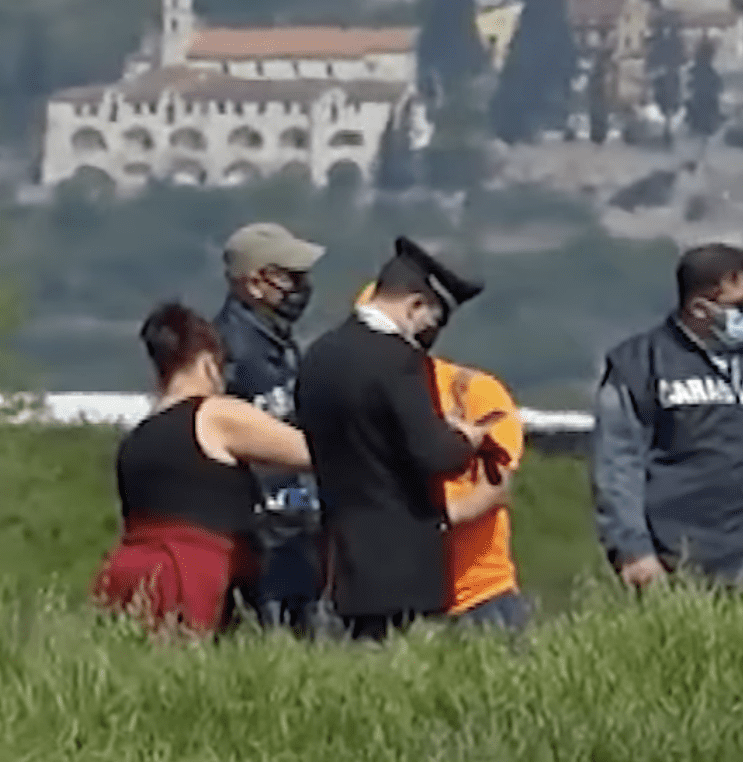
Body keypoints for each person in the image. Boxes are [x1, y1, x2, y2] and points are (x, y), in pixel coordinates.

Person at [295, 237, 506, 642]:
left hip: (340, 556)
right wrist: (467, 438)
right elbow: (433, 453)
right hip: (403, 565)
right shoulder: (398, 364)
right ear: (415, 306)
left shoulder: (319, 356)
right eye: (433, 321)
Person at [591, 243, 743, 593]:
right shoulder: (639, 366)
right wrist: (632, 550)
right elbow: (619, 463)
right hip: (672, 564)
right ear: (699, 308)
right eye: (741, 306)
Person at [92, 302, 313, 638]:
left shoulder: (136, 438)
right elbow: (307, 452)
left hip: (131, 576)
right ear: (209, 362)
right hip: (193, 573)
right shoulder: (215, 415)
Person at [354, 270, 531, 635]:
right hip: (384, 600)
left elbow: (492, 489)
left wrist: (408, 524)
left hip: (479, 599)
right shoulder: (354, 401)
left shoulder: (473, 392)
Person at [214, 221, 328, 634]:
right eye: (292, 277)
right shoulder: (228, 350)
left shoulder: (279, 343)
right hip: (261, 528)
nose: (302, 287)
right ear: (255, 282)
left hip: (296, 520)